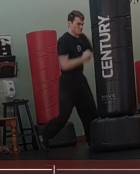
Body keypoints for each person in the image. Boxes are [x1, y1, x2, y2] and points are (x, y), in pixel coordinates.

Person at [41, 10, 98, 151]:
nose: (80, 27)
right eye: (78, 24)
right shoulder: (64, 41)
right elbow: (65, 65)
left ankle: (94, 142)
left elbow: (90, 52)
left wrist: (89, 54)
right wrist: (82, 58)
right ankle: (44, 135)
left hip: (80, 79)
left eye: (82, 24)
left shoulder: (82, 38)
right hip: (68, 82)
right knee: (63, 116)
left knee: (91, 114)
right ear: (69, 24)